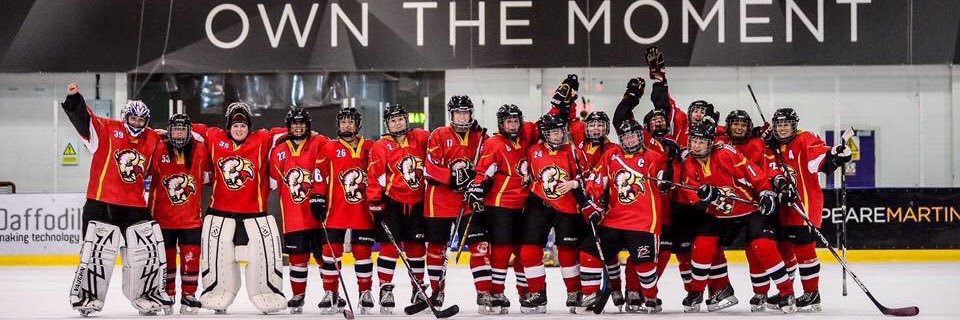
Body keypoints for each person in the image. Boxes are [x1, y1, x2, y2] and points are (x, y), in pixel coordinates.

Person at [63, 83, 170, 316]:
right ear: (125, 117)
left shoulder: (152, 138)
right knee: (96, 253)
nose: (137, 124)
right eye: (133, 119)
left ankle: (146, 294)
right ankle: (88, 297)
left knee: (144, 251)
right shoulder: (106, 128)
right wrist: (74, 99)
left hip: (134, 206)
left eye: (142, 121)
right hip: (102, 203)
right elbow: (84, 121)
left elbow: (156, 167)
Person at [677, 120, 798, 313]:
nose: (696, 146)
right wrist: (702, 197)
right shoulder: (690, 163)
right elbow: (690, 193)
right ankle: (697, 291)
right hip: (719, 215)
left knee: (762, 246)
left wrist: (766, 192)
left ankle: (786, 292)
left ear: (710, 142)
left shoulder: (726, 153)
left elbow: (753, 173)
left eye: (701, 142)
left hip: (749, 210)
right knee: (703, 243)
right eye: (693, 141)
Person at [193, 102, 287, 314]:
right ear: (228, 126)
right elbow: (186, 130)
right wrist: (161, 133)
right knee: (219, 258)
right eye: (235, 125)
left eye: (243, 125)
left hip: (255, 215)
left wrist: (308, 132)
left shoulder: (262, 138)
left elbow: (291, 131)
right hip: (220, 213)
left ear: (249, 126)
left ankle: (267, 291)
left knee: (263, 256)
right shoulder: (215, 137)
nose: (239, 129)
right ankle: (218, 292)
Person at [762, 107, 852, 312]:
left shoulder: (804, 139)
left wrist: (837, 154)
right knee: (785, 248)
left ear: (794, 125)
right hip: (783, 208)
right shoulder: (772, 146)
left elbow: (821, 158)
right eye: (779, 125)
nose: (782, 128)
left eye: (786, 124)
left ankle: (812, 293)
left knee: (804, 249)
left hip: (804, 205)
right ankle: (789, 292)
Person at [579, 119, 670, 313]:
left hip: (644, 222)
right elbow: (596, 181)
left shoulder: (655, 157)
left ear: (640, 137)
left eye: (633, 136)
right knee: (589, 251)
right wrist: (592, 202)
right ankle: (590, 294)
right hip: (614, 219)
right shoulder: (611, 155)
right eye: (625, 137)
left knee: (644, 264)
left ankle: (650, 295)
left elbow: (664, 182)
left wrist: (665, 177)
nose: (629, 140)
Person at [422, 95, 494, 313]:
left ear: (471, 114)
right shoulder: (438, 135)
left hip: (469, 201)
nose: (462, 117)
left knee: (479, 246)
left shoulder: (481, 137)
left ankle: (484, 293)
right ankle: (436, 291)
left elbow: (488, 165)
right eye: (458, 113)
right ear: (451, 114)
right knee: (436, 248)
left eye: (466, 112)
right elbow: (429, 168)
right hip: (439, 203)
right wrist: (452, 178)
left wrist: (478, 183)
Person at [464, 103, 539, 314]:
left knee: (523, 250)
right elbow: (484, 171)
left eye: (516, 121)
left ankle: (526, 293)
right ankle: (496, 291)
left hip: (525, 205)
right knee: (502, 250)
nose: (513, 126)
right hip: (500, 205)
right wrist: (477, 188)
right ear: (501, 124)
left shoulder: (526, 137)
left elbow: (547, 124)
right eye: (509, 122)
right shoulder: (494, 143)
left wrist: (561, 106)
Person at [519, 114, 591, 313]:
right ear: (545, 134)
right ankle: (537, 294)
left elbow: (587, 178)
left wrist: (574, 183)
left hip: (567, 207)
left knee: (567, 252)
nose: (558, 136)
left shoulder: (573, 152)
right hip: (538, 203)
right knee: (529, 250)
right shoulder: (532, 151)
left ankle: (574, 293)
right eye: (553, 132)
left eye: (560, 132)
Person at [366, 104, 430, 314]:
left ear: (406, 120)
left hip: (418, 202)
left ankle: (418, 288)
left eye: (400, 119)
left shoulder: (420, 138)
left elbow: (439, 143)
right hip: (393, 203)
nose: (397, 123)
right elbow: (374, 175)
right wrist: (375, 201)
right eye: (393, 120)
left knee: (417, 248)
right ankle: (385, 288)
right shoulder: (381, 146)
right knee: (389, 248)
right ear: (387, 124)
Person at [311, 106, 375, 314]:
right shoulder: (329, 147)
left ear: (357, 125)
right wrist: (318, 197)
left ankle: (365, 292)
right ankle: (331, 292)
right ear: (338, 125)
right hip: (335, 211)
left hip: (362, 211)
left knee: (363, 253)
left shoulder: (370, 147)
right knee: (330, 253)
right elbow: (319, 175)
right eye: (343, 122)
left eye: (351, 122)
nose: (347, 125)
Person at [267, 107, 329, 314]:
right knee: (297, 259)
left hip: (318, 214)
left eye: (302, 123)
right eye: (294, 123)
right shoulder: (279, 151)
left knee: (324, 258)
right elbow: (275, 183)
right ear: (289, 126)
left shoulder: (319, 143)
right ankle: (298, 295)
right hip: (293, 218)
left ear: (308, 125)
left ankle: (331, 293)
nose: (298, 126)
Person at [148, 113, 208, 315]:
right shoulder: (159, 147)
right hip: (162, 219)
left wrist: (167, 132)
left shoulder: (200, 149)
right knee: (167, 260)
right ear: (169, 130)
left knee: (191, 259)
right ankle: (168, 293)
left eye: (183, 129)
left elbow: (208, 133)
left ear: (189, 132)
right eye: (175, 129)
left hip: (191, 220)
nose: (179, 134)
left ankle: (189, 295)